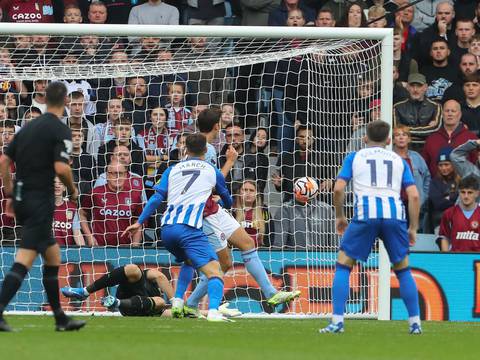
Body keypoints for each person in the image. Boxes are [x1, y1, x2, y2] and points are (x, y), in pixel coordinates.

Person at [175, 110, 300, 318]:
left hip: (211, 209)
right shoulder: (207, 150)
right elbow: (213, 183)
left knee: (247, 244)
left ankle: (270, 292)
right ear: (217, 127)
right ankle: (191, 303)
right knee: (223, 263)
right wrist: (231, 162)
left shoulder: (193, 147)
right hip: (204, 213)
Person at [320, 120, 421, 334]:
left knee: (343, 266)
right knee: (403, 270)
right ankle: (415, 324)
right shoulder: (399, 159)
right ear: (389, 140)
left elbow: (338, 189)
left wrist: (340, 216)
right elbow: (413, 195)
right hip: (394, 217)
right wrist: (413, 227)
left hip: (365, 215)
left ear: (364, 138)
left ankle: (337, 322)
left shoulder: (355, 157)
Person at [0, 82, 85, 332]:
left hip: (23, 197)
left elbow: (4, 160)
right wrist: (72, 189)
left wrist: (9, 193)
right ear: (66, 101)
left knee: (52, 255)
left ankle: (60, 318)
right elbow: (61, 168)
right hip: (40, 200)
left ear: (45, 100)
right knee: (25, 258)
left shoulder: (27, 128)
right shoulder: (60, 129)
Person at [122, 133, 233, 322]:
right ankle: (214, 312)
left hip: (167, 229)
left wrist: (139, 222)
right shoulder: (212, 170)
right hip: (189, 228)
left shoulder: (171, 170)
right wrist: (223, 201)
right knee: (216, 269)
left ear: (185, 150)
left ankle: (178, 302)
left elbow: (157, 198)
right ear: (206, 151)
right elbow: (227, 199)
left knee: (188, 262)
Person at [61, 264, 173, 316]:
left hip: (134, 309)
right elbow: (160, 276)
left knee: (161, 302)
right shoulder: (149, 278)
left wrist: (180, 312)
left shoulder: (159, 299)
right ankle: (84, 291)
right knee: (133, 269)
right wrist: (175, 302)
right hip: (126, 295)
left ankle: (115, 303)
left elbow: (169, 314)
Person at [80, 160, 143, 247]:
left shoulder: (134, 195)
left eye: (120, 173)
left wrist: (135, 244)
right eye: (114, 173)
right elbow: (81, 213)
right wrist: (89, 236)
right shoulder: (96, 193)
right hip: (100, 247)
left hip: (126, 249)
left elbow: (139, 221)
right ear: (107, 175)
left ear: (125, 175)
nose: (117, 177)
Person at [422, 99, 477, 177]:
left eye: (453, 111)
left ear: (460, 114)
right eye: (447, 111)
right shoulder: (432, 139)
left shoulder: (470, 138)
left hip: (463, 187)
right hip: (437, 186)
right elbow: (424, 168)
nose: (450, 114)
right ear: (442, 114)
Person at [393, 73, 442, 151]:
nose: (415, 90)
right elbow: (397, 131)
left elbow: (435, 129)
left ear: (425, 87)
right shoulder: (398, 107)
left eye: (419, 86)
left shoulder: (435, 106)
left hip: (428, 148)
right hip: (405, 148)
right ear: (407, 87)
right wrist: (426, 129)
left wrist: (406, 129)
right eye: (412, 86)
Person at [437, 175, 480, 252]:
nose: (466, 196)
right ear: (459, 192)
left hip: (477, 260)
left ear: (477, 194)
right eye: (463, 192)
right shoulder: (449, 213)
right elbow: (444, 238)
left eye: (470, 192)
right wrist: (447, 258)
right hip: (456, 259)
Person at [425, 147, 460, 234]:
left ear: (453, 164)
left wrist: (447, 197)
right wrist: (455, 195)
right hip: (440, 223)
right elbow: (439, 203)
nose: (443, 168)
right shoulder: (435, 182)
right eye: (441, 165)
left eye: (446, 164)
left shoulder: (461, 180)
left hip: (460, 222)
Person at [232, 179, 272, 248]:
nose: (248, 193)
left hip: (259, 251)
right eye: (244, 190)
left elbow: (270, 235)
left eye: (251, 190)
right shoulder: (232, 210)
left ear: (256, 194)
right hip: (237, 251)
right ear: (239, 192)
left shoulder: (264, 210)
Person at [53, 177, 84, 246]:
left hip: (66, 252)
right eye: (54, 183)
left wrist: (83, 251)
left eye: (60, 184)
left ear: (64, 188)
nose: (57, 186)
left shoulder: (72, 208)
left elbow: (77, 232)